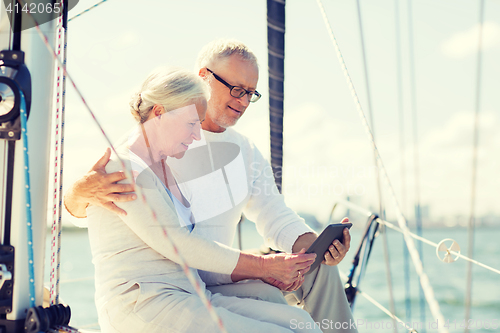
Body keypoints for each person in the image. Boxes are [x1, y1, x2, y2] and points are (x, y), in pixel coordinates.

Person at [65, 40, 358, 333]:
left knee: (311, 296)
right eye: (236, 89)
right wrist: (76, 193)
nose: (243, 101)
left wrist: (313, 246)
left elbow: (274, 213)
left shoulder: (233, 151)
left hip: (205, 280)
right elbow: (104, 207)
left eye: (250, 93)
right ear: (203, 76)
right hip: (162, 292)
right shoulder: (149, 152)